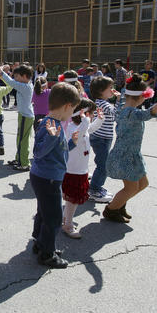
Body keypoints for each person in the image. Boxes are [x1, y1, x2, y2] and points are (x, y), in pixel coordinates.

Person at [30, 82, 81, 268]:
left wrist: (72, 143)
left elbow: (59, 151)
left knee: (44, 212)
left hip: (46, 176)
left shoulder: (53, 123)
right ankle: (47, 254)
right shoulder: (50, 126)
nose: (72, 113)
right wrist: (52, 137)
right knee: (53, 218)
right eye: (73, 109)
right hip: (47, 178)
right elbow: (39, 152)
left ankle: (40, 243)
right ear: (67, 106)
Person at [103, 74, 157, 222]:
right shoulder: (132, 113)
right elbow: (148, 113)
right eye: (145, 96)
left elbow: (128, 101)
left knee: (143, 184)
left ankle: (119, 205)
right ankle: (111, 210)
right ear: (141, 97)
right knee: (130, 188)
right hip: (124, 156)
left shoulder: (122, 107)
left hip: (132, 154)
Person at [61, 99, 104, 238]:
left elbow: (90, 129)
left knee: (71, 200)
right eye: (90, 114)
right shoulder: (72, 128)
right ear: (82, 114)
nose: (91, 116)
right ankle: (68, 224)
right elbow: (78, 137)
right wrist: (85, 122)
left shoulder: (82, 127)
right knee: (73, 199)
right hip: (73, 171)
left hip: (81, 169)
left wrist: (99, 120)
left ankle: (65, 218)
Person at [88, 76, 119, 203]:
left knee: (102, 163)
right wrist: (119, 98)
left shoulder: (100, 102)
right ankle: (94, 189)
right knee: (103, 165)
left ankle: (96, 187)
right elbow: (117, 114)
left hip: (101, 137)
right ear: (101, 91)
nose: (112, 90)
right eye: (110, 88)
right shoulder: (104, 104)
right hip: (102, 138)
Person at [0, 64, 34, 171]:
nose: (15, 78)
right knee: (20, 139)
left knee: (22, 141)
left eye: (17, 76)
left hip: (25, 116)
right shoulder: (26, 84)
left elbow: (10, 82)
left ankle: (24, 163)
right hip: (25, 115)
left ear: (24, 76)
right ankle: (19, 159)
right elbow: (12, 81)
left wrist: (1, 71)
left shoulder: (24, 86)